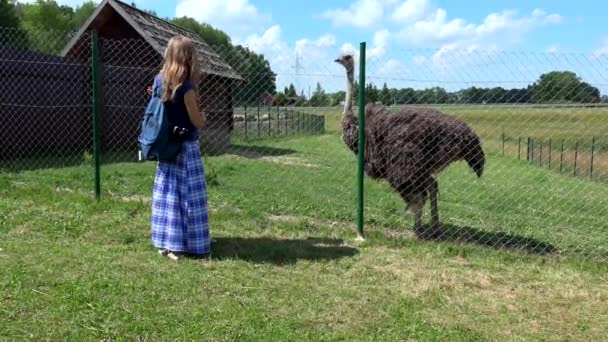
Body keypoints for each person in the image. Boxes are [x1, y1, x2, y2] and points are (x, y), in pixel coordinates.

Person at [150, 35, 211, 261]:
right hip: (185, 148)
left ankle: (165, 242)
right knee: (189, 196)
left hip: (166, 147)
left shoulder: (159, 81)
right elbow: (196, 121)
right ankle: (184, 244)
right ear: (188, 58)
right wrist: (203, 117)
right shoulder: (186, 88)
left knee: (167, 195)